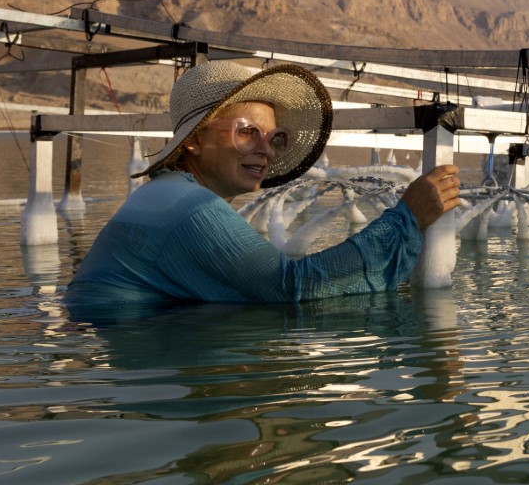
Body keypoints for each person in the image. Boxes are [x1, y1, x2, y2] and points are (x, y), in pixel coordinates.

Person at [64, 59, 460, 317]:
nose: (265, 151)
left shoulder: (169, 193)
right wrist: (407, 219)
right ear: (194, 141)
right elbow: (294, 287)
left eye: (274, 138)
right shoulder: (186, 207)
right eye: (247, 133)